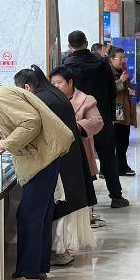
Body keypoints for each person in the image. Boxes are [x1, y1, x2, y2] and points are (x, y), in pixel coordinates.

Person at [0, 80, 73, 280]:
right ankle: (37, 268)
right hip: (43, 158)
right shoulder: (1, 94)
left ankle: (28, 274)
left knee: (29, 216)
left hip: (41, 160)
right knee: (40, 215)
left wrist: (7, 143)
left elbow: (30, 122)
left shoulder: (1, 97)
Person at [13, 66, 96, 265]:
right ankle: (59, 250)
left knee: (58, 206)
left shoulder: (42, 99)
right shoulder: (52, 94)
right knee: (63, 206)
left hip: (60, 159)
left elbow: (34, 129)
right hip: (69, 156)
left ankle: (57, 251)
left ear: (27, 87)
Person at [63, 30, 129, 208]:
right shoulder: (102, 63)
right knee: (108, 156)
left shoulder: (67, 66)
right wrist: (110, 115)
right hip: (101, 117)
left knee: (80, 157)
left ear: (70, 46)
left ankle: (85, 199)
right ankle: (116, 197)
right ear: (86, 42)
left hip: (77, 119)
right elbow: (112, 90)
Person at [50, 66, 105, 232]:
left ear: (70, 82)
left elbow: (97, 122)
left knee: (84, 186)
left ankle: (83, 221)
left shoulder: (86, 100)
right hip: (59, 153)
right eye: (53, 83)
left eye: (59, 82)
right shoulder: (50, 100)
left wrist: (77, 127)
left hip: (80, 151)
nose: (56, 86)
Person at [108, 47, 137, 177]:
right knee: (119, 140)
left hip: (125, 107)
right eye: (120, 58)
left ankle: (122, 166)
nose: (123, 60)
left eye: (124, 58)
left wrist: (131, 90)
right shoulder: (108, 72)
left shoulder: (122, 70)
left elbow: (128, 87)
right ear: (111, 59)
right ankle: (120, 167)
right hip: (117, 109)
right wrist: (121, 81)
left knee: (124, 139)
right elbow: (110, 90)